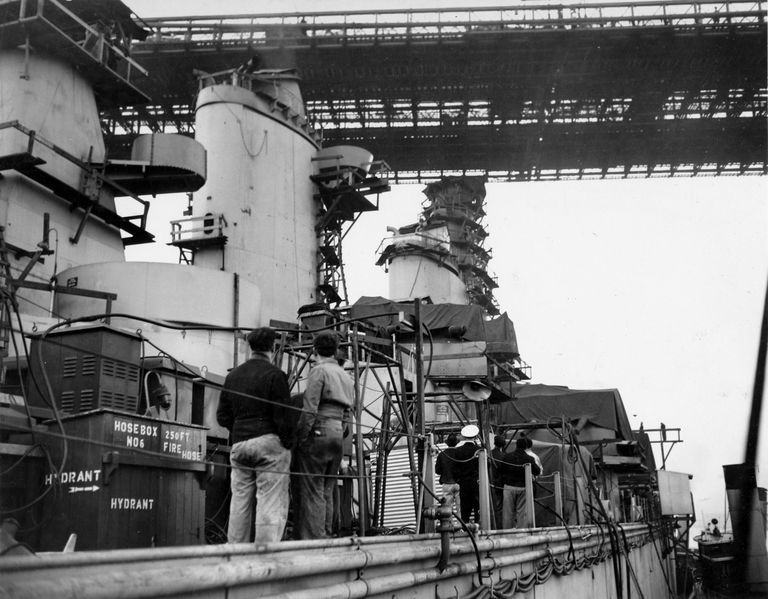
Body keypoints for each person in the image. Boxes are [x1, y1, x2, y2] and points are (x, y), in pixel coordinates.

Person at [216, 327, 297, 544]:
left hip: (240, 445)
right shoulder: (275, 375)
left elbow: (222, 416)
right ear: (272, 348)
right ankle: (265, 556)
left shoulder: (232, 376)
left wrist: (240, 430)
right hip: (268, 444)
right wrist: (287, 442)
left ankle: (235, 554)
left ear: (250, 347)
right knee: (269, 501)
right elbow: (283, 416)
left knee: (239, 503)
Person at [294, 331, 355, 539]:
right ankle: (327, 534)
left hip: (319, 430)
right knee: (327, 489)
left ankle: (314, 540)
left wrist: (301, 437)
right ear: (335, 350)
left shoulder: (318, 371)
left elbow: (310, 407)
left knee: (313, 489)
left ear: (315, 350)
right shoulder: (345, 376)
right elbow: (348, 414)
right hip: (338, 434)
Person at [498, 437, 541, 529]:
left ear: (516, 445)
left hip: (508, 487)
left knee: (507, 512)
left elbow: (500, 470)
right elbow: (537, 471)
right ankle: (522, 532)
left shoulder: (507, 457)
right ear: (526, 446)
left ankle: (506, 532)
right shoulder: (529, 458)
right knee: (522, 512)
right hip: (523, 487)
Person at [452, 425, 480, 523]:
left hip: (463, 483)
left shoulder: (458, 451)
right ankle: (478, 528)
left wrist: (458, 480)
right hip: (477, 483)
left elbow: (454, 468)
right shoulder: (479, 450)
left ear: (463, 437)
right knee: (478, 507)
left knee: (465, 508)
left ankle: (464, 529)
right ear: (476, 436)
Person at [435, 433, 461, 515]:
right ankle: (461, 526)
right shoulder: (460, 453)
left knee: (446, 509)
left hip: (446, 484)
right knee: (460, 508)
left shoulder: (442, 455)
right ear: (456, 443)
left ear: (447, 443)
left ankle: (449, 526)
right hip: (459, 483)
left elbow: (437, 471)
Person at [489, 434, 507, 529]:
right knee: (500, 507)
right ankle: (499, 526)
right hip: (500, 484)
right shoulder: (504, 456)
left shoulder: (489, 454)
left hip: (489, 482)